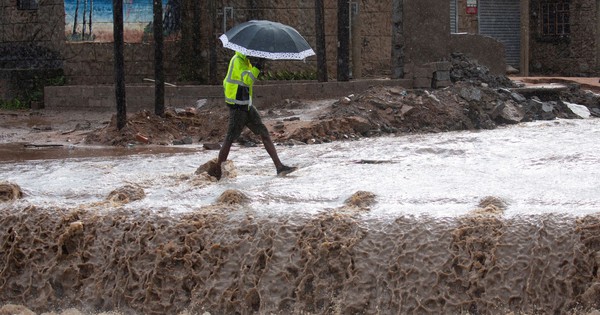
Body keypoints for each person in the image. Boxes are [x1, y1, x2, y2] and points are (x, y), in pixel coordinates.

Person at [208, 51, 297, 180]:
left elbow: (249, 80)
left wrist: (256, 66)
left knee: (264, 133)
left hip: (247, 105)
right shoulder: (238, 61)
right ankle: (218, 172)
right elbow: (248, 80)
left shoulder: (245, 61)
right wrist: (258, 66)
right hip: (237, 106)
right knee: (229, 139)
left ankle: (279, 167)